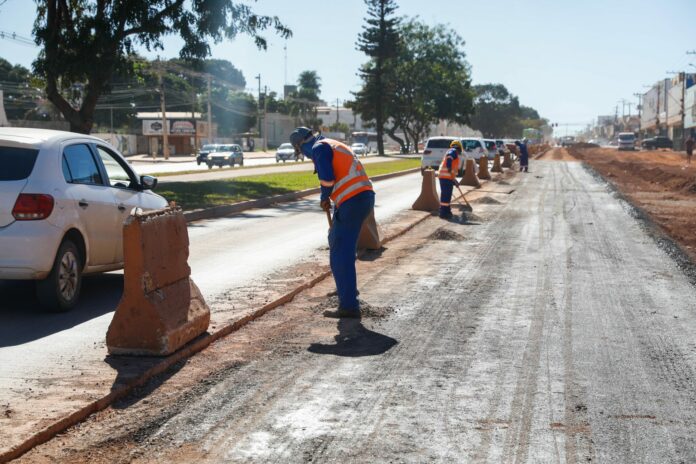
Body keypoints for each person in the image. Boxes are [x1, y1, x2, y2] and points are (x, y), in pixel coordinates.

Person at [290, 127, 375, 319]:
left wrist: (324, 196)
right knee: (339, 243)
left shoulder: (319, 148)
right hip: (361, 198)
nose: (304, 156)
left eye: (300, 152)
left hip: (353, 201)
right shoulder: (331, 144)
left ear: (301, 146)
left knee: (340, 252)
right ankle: (347, 291)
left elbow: (327, 179)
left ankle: (348, 306)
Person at [437, 140, 463, 219]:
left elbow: (452, 172)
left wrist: (455, 181)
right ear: (459, 148)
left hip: (447, 177)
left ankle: (447, 211)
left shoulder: (453, 151)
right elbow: (449, 157)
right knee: (446, 195)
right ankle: (443, 213)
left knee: (447, 195)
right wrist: (448, 166)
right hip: (445, 177)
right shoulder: (453, 150)